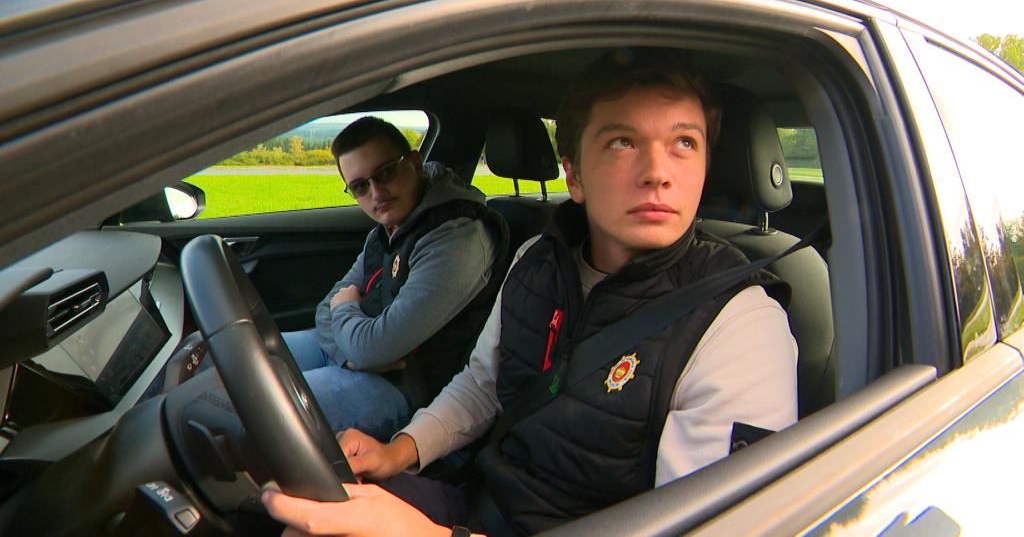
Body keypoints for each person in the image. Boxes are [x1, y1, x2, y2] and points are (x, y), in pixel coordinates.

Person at [263, 49, 798, 536]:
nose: (658, 173)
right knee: (313, 517)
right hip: (483, 503)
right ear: (575, 176)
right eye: (622, 142)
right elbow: (483, 384)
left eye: (684, 143)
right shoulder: (536, 261)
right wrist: (398, 452)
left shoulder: (739, 325)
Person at [283, 116, 507, 441]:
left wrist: (350, 321)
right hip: (355, 358)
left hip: (406, 389)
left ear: (415, 163)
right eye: (360, 186)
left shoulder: (459, 237)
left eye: (386, 173)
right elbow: (326, 310)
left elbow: (369, 341)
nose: (376, 193)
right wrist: (351, 357)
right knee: (235, 358)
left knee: (257, 409)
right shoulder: (388, 231)